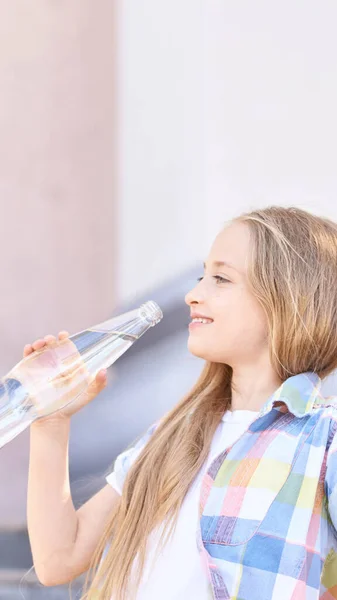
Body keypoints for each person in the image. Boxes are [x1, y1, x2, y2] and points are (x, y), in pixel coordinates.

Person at [26, 205, 337, 600]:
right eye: (201, 276)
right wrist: (51, 423)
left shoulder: (323, 440)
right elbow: (58, 558)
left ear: (289, 299)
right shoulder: (172, 435)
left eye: (220, 279)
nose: (193, 294)